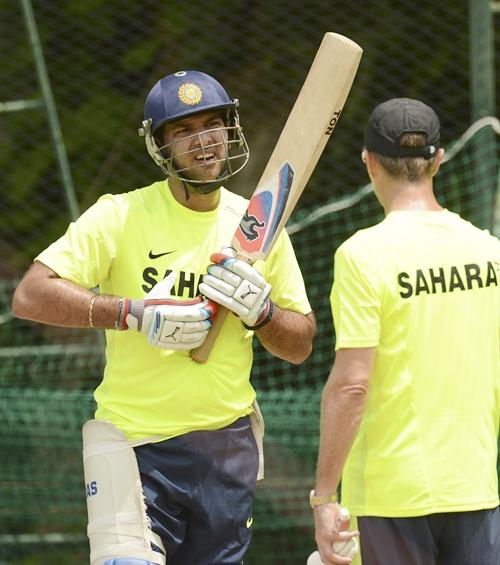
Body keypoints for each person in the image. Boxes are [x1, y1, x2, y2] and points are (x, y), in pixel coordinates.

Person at [12, 70, 316, 565]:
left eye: (213, 124)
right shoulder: (121, 215)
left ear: (231, 130)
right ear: (160, 146)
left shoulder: (258, 226)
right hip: (136, 446)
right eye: (184, 131)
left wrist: (262, 314)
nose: (204, 142)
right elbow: (31, 295)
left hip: (227, 448)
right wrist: (131, 313)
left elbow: (300, 344)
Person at [310, 98, 500, 565]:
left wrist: (324, 495)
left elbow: (353, 384)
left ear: (369, 161)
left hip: (389, 495)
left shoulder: (362, 255)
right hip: (474, 487)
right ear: (439, 159)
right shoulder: (490, 251)